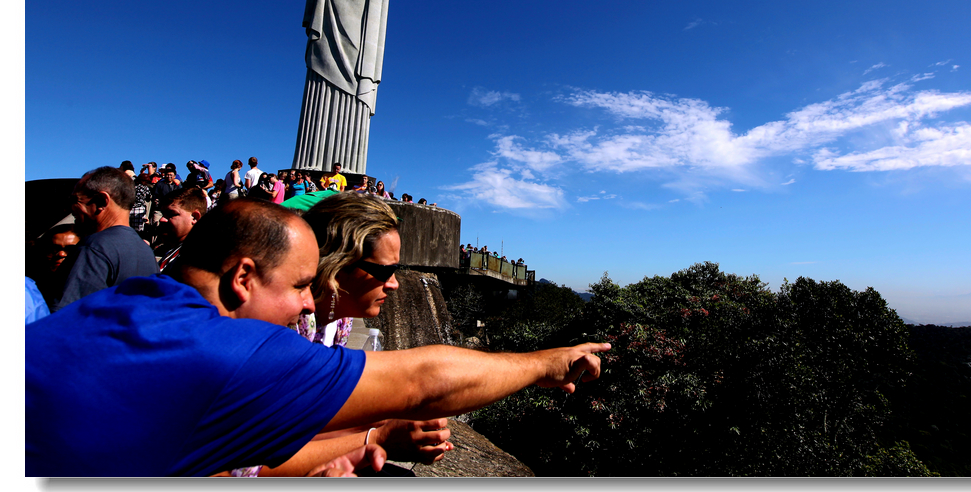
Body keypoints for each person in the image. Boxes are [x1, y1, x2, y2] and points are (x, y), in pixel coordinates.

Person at [26, 199, 608, 476]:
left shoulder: (119, 307)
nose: (308, 300)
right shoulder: (225, 353)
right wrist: (548, 362)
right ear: (243, 277)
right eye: (302, 284)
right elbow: (423, 381)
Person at [185, 0, 502, 175]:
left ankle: (348, 169)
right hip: (329, 23)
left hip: (363, 35)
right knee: (320, 82)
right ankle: (308, 165)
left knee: (356, 88)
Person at [232, 193, 453, 477]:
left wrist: (381, 422)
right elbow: (245, 465)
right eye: (385, 271)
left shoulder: (339, 321)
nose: (394, 284)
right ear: (338, 265)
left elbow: (305, 419)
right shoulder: (285, 326)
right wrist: (377, 438)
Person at [53, 167, 159, 310]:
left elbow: (64, 318)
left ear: (101, 201)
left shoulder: (93, 249)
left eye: (75, 199)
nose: (70, 208)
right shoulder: (146, 252)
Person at [155, 187, 209, 272]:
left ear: (195, 217)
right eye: (163, 214)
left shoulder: (197, 257)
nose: (162, 219)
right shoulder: (177, 250)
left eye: (171, 214)